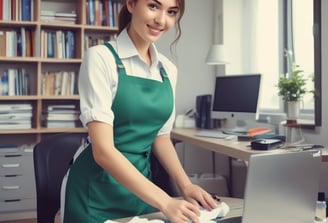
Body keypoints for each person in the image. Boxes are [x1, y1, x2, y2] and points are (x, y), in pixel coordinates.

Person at [60, 0, 218, 222]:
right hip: (93, 193)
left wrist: (186, 185)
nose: (161, 20)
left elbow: (161, 137)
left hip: (141, 190)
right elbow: (103, 151)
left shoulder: (167, 70)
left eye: (171, 12)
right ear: (131, 4)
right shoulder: (100, 58)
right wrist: (165, 201)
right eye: (153, 6)